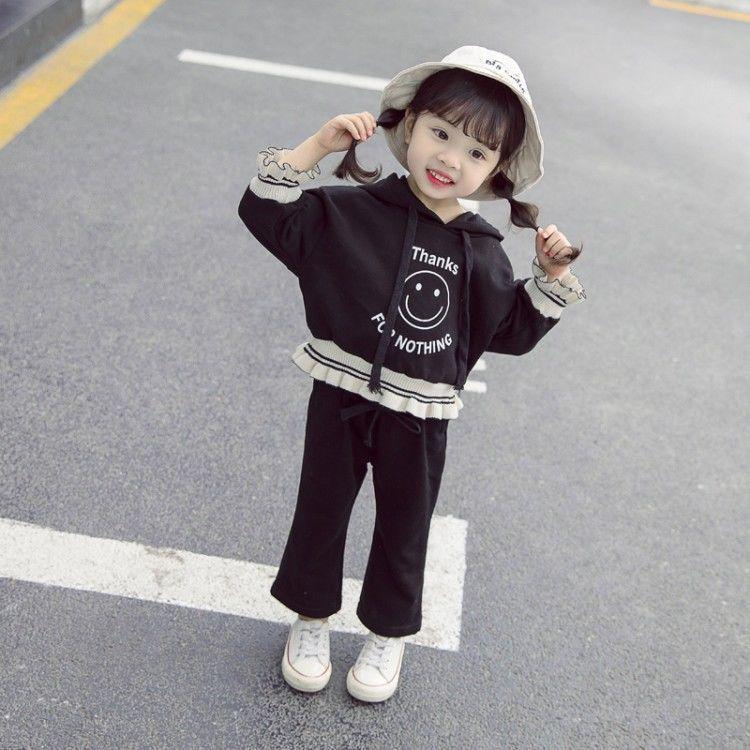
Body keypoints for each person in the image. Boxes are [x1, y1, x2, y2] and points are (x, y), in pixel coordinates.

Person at [237, 45, 586, 703]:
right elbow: (268, 212)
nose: (451, 158)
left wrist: (551, 277)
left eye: (477, 151)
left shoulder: (482, 254)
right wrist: (318, 146)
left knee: (405, 527)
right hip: (340, 392)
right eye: (441, 133)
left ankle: (386, 635)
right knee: (320, 511)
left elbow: (510, 331)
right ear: (410, 125)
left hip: (420, 415)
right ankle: (310, 620)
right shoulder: (350, 213)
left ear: (496, 171)